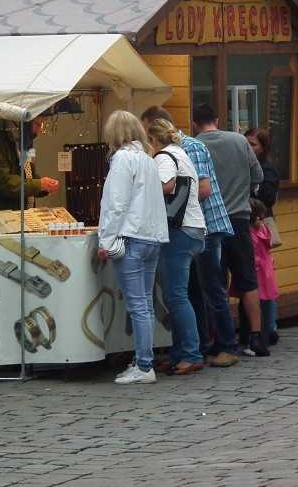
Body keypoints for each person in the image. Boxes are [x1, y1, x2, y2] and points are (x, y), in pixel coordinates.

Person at [139, 106, 238, 368]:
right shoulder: (181, 150)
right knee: (191, 292)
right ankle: (192, 350)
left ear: (153, 134)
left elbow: (195, 188)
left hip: (194, 226)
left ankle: (213, 348)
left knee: (198, 292)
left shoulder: (179, 150)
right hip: (195, 226)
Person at [0, 115, 60, 366]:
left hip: (18, 223)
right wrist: (35, 185)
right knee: (1, 287)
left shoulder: (22, 139)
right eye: (39, 124)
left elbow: (26, 173)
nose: (41, 130)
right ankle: (1, 353)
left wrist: (40, 186)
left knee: (20, 285)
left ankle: (23, 349)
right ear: (24, 120)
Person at [96, 110, 169, 384]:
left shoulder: (123, 159)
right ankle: (142, 361)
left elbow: (116, 204)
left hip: (132, 237)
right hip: (152, 237)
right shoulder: (147, 159)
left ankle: (144, 365)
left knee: (138, 305)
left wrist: (106, 239)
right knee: (145, 304)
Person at [194, 103, 269, 358]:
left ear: (195, 124)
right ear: (217, 118)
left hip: (211, 221)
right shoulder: (239, 140)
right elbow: (258, 174)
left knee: (215, 283)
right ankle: (257, 337)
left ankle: (220, 338)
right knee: (247, 279)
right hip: (239, 218)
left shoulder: (194, 146)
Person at [145, 118, 206, 376]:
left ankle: (191, 354)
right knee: (177, 295)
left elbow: (166, 185)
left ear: (153, 140)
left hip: (179, 231)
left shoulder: (163, 156)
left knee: (176, 296)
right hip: (193, 229)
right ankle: (180, 352)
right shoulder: (181, 152)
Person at [244, 126, 281, 345]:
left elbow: (267, 198)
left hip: (259, 227)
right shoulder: (244, 165)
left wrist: (251, 193)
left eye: (253, 144)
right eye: (246, 143)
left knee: (264, 277)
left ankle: (269, 326)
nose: (249, 148)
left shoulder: (267, 169)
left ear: (262, 147)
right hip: (246, 228)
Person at [245, 198, 280, 346]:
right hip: (267, 270)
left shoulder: (249, 233)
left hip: (257, 271)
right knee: (269, 300)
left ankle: (260, 331)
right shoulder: (264, 229)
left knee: (255, 303)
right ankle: (271, 329)